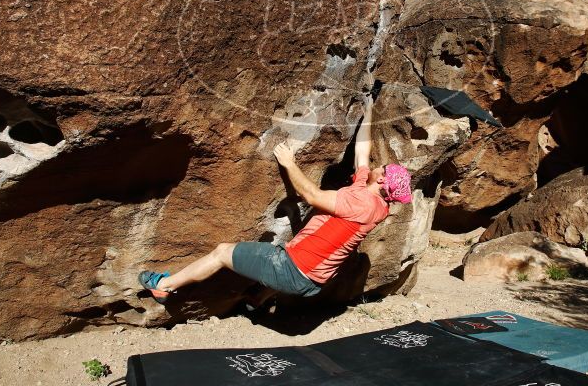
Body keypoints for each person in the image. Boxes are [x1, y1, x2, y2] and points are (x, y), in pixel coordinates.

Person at [137, 94, 412, 305]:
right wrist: (368, 112)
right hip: (316, 280)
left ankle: (165, 285)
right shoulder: (377, 203)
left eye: (384, 169)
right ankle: (257, 301)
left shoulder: (361, 204)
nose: (380, 165)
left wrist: (289, 162)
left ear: (382, 181)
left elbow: (311, 195)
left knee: (222, 252)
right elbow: (362, 155)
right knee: (281, 254)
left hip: (294, 271)